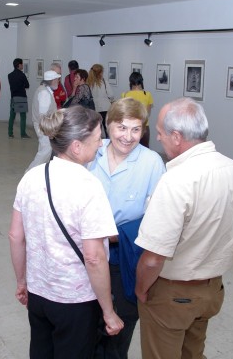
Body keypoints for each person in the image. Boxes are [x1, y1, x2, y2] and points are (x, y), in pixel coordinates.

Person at [134, 98, 233, 359]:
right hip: (212, 290)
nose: (158, 139)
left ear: (176, 137)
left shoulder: (176, 180)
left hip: (174, 294)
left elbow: (153, 258)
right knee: (194, 352)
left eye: (160, 134)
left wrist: (141, 289)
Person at [9, 106, 124, 359]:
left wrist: (22, 282)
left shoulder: (31, 177)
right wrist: (108, 311)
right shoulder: (89, 186)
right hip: (76, 301)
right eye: (97, 140)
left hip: (39, 293)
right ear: (76, 146)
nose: (101, 146)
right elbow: (93, 257)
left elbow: (16, 236)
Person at [88, 98, 165, 359]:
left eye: (135, 129)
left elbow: (159, 217)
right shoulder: (90, 154)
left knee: (119, 329)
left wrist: (117, 234)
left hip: (124, 256)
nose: (128, 137)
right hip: (86, 254)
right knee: (86, 325)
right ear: (107, 125)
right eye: (121, 127)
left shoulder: (152, 163)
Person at [25, 70, 61, 172]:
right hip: (44, 127)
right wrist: (47, 130)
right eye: (57, 79)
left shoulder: (45, 90)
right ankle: (29, 173)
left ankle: (38, 173)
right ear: (52, 80)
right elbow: (43, 116)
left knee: (45, 151)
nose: (58, 81)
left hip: (45, 126)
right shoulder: (44, 93)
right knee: (45, 152)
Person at [121, 72, 154, 148]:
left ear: (130, 82)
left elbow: (124, 112)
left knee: (129, 149)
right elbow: (147, 113)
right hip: (143, 126)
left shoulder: (125, 95)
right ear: (141, 81)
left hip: (129, 127)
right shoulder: (147, 94)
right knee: (145, 150)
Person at [88, 64, 115, 138]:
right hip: (105, 108)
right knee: (107, 128)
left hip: (95, 109)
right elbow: (111, 95)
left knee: (96, 129)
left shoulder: (89, 83)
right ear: (100, 73)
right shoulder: (104, 82)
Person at [7, 58, 30, 139]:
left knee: (12, 116)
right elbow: (27, 85)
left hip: (13, 97)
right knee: (23, 116)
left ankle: (10, 133)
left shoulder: (10, 75)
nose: (22, 65)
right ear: (19, 65)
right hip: (21, 97)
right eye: (22, 64)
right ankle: (23, 134)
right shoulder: (22, 75)